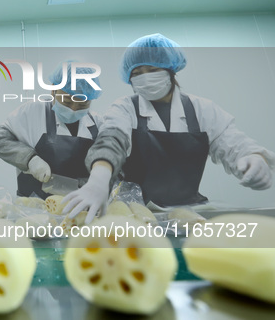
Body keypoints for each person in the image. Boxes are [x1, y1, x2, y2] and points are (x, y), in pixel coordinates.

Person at [62, 33, 275, 223]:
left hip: (188, 211)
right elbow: (111, 139)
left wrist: (254, 157)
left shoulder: (202, 109)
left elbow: (233, 142)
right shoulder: (126, 107)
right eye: (137, 73)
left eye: (152, 69)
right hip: (135, 213)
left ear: (170, 71)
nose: (145, 77)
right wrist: (99, 178)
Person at [0, 62, 103, 199]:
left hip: (81, 209)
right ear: (53, 90)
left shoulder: (98, 123)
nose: (73, 109)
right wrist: (30, 160)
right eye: (67, 102)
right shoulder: (32, 112)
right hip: (34, 209)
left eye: (82, 105)